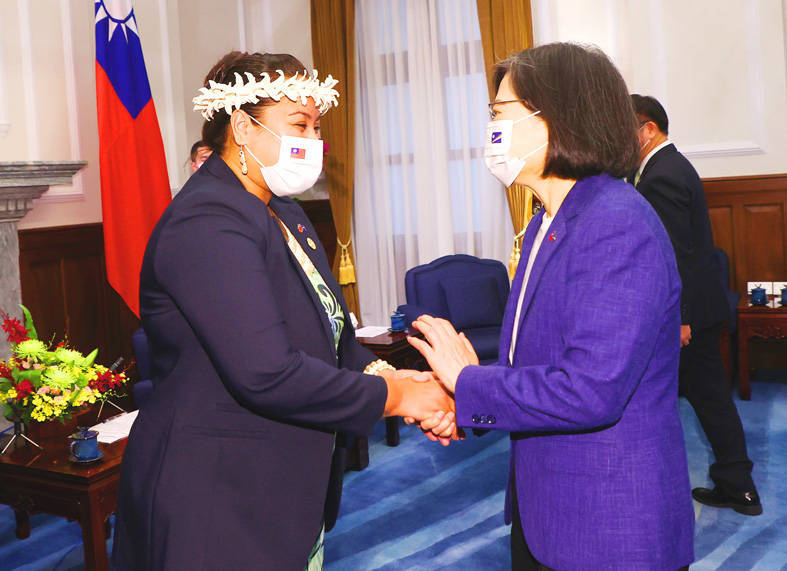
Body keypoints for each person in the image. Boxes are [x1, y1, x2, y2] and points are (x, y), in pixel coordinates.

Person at [111, 51, 454, 570]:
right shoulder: (207, 221)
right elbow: (266, 373)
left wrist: (389, 374)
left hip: (282, 481)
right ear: (243, 128)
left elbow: (334, 338)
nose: (313, 142)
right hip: (216, 492)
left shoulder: (285, 212)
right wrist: (402, 394)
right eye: (299, 124)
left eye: (316, 127)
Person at [408, 43, 694, 570]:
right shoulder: (548, 219)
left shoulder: (615, 223)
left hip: (607, 526)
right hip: (547, 510)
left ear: (558, 118)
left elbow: (590, 390)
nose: (491, 128)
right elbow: (540, 365)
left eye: (500, 114)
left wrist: (468, 381)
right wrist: (460, 399)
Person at [631, 94, 761, 515]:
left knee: (705, 399)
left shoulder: (660, 175)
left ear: (647, 129)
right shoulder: (669, 166)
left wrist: (680, 320)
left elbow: (676, 255)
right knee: (708, 398)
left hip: (687, 316)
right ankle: (735, 482)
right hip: (698, 309)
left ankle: (737, 485)